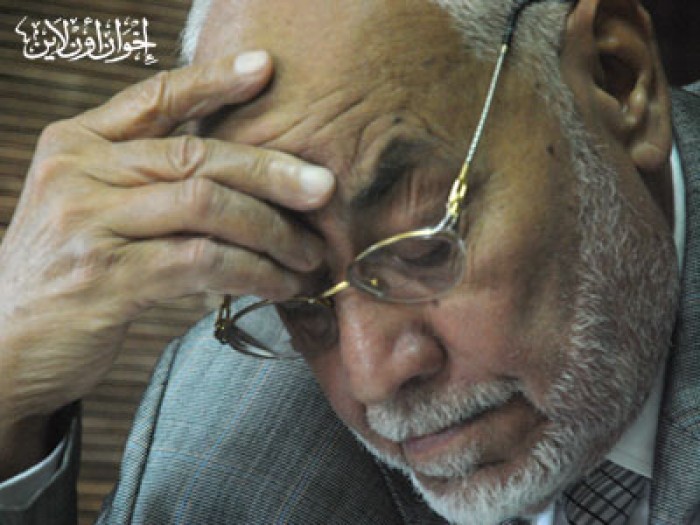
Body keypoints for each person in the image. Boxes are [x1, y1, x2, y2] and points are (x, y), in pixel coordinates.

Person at [0, 0, 698, 523]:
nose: (373, 375)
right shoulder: (216, 443)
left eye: (423, 247)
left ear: (617, 80)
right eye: (300, 299)